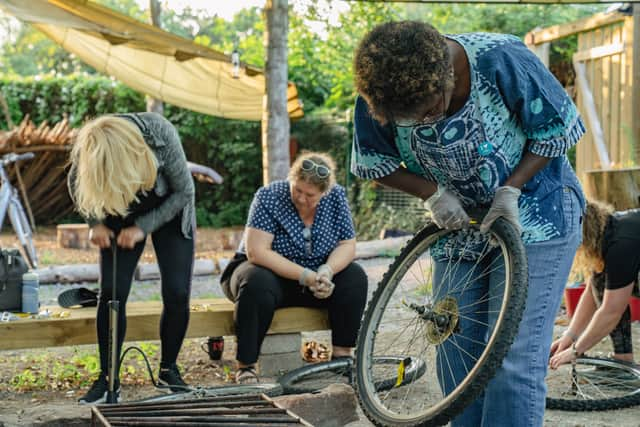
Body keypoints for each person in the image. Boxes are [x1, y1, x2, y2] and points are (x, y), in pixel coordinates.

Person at [352, 21, 584, 426]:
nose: (424, 123)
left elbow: (560, 127)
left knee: (511, 360)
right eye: (411, 120)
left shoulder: (501, 59)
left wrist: (509, 190)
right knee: (456, 354)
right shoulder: (382, 93)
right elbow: (374, 162)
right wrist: (433, 193)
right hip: (459, 224)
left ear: (447, 76)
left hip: (536, 214)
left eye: (430, 110)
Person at [68, 113, 195, 403]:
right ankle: (107, 378)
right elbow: (78, 184)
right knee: (112, 292)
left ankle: (168, 370)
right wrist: (95, 224)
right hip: (117, 208)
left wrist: (142, 228)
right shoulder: (94, 143)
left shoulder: (161, 134)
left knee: (177, 291)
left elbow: (184, 191)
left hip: (169, 207)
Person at [220, 152, 368, 384]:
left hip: (315, 274)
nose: (301, 198)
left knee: (355, 276)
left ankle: (342, 357)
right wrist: (305, 276)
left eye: (310, 195)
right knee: (256, 281)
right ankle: (246, 365)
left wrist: (327, 271)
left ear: (324, 193)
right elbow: (257, 252)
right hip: (268, 274)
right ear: (290, 179)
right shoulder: (269, 195)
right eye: (297, 190)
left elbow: (347, 245)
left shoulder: (337, 196)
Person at [549, 200, 640, 369]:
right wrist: (570, 336)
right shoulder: (609, 230)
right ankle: (623, 362)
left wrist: (575, 350)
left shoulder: (621, 244)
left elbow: (611, 311)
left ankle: (623, 363)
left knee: (613, 300)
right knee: (601, 281)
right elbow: (592, 292)